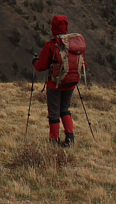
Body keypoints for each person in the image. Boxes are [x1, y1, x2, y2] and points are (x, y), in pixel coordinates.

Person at [33, 14, 81, 147]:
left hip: (55, 85)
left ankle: (54, 141)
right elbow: (84, 64)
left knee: (54, 113)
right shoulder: (74, 45)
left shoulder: (51, 45)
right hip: (71, 84)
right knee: (64, 109)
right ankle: (70, 137)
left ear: (53, 27)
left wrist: (35, 61)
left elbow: (41, 66)